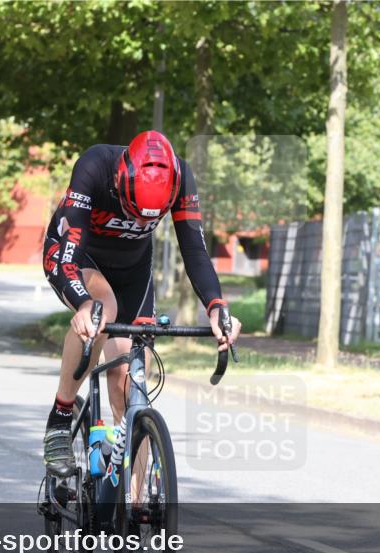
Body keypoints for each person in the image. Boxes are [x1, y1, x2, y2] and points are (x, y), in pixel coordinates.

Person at [42, 130, 241, 476]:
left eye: (150, 219)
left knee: (131, 387)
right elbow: (69, 255)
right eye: (133, 212)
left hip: (133, 271)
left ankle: (135, 509)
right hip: (75, 257)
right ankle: (60, 416)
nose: (141, 222)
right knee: (104, 306)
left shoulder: (181, 176)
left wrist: (216, 307)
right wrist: (83, 303)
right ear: (121, 181)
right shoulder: (95, 166)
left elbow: (194, 250)